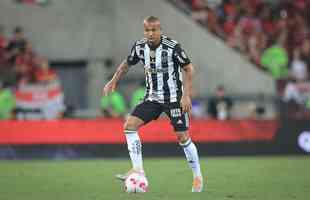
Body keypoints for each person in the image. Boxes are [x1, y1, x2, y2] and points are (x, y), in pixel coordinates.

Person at [103, 16, 204, 192]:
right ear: (144, 31)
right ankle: (138, 169)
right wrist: (113, 80)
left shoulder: (172, 47)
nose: (150, 33)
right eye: (147, 30)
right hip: (152, 98)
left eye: (154, 30)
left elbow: (189, 69)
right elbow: (127, 64)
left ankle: (197, 177)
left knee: (183, 137)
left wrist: (186, 95)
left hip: (174, 99)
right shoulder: (140, 46)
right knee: (129, 126)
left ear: (160, 30)